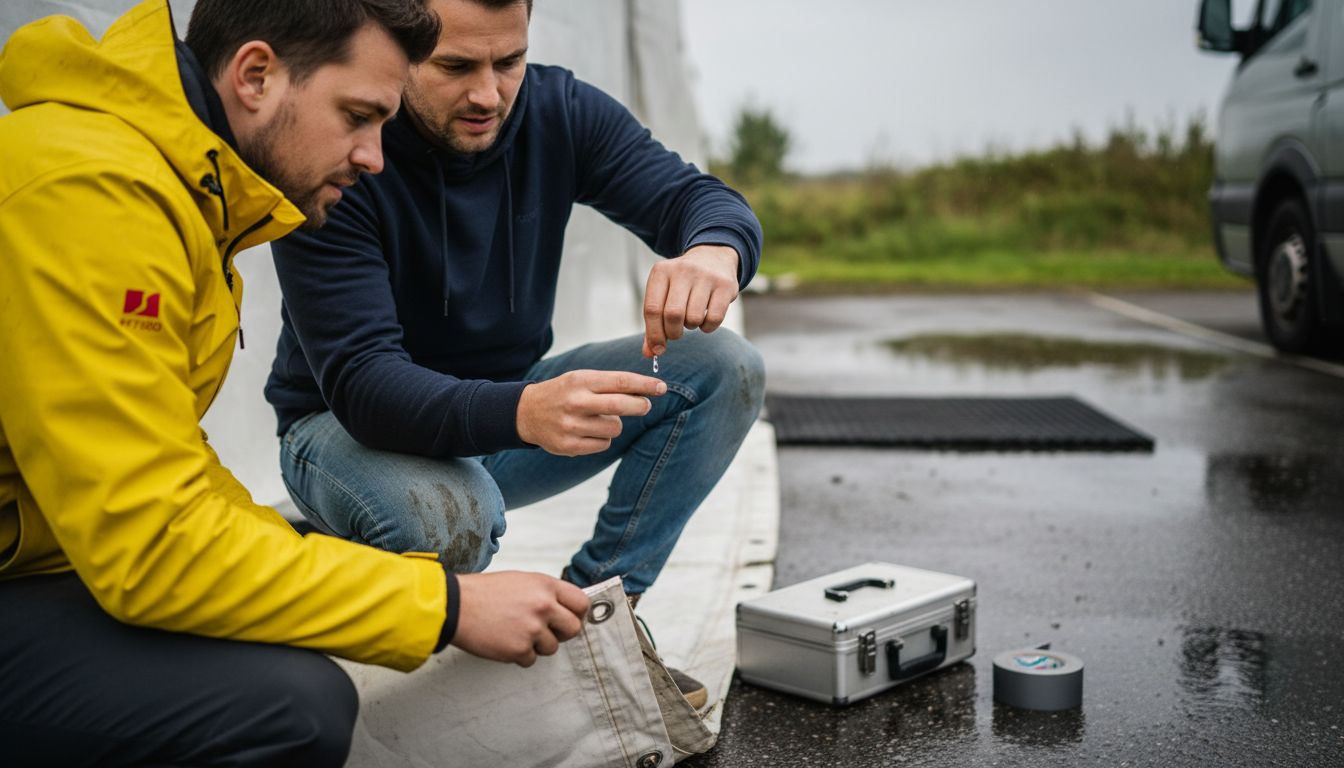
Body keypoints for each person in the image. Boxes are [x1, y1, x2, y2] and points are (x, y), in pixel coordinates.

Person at [0, 1, 588, 766]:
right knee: (292, 709)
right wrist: (446, 605)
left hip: (44, 555)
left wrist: (369, 584)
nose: (375, 158)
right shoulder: (95, 196)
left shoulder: (178, 184)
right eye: (358, 117)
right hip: (46, 569)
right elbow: (150, 543)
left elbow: (169, 468)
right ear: (256, 75)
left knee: (295, 626)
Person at [266, 0, 766, 709]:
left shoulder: (560, 111)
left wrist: (716, 248)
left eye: (509, 62)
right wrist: (525, 411)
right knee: (450, 520)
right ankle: (333, 545)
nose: (487, 94)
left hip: (505, 407)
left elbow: (696, 197)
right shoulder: (343, 148)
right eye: (455, 66)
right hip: (344, 427)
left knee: (724, 368)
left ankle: (595, 623)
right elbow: (365, 385)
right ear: (397, 49)